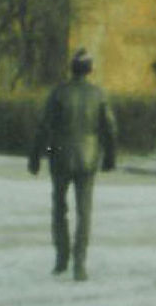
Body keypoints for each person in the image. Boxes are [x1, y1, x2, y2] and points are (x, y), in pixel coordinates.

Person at [28, 48, 118, 282]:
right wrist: (109, 157)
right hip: (88, 158)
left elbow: (44, 126)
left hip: (60, 155)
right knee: (84, 211)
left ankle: (61, 258)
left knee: (59, 208)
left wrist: (36, 156)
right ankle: (80, 263)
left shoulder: (59, 93)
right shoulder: (98, 94)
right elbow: (110, 128)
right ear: (90, 70)